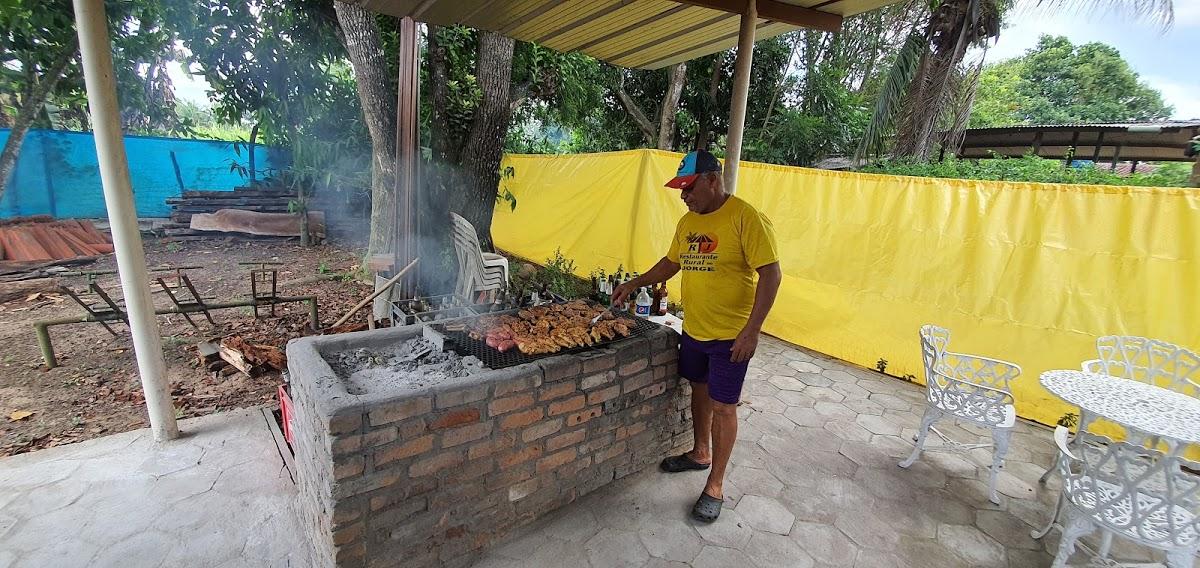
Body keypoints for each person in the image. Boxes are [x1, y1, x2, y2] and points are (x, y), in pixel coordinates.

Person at [612, 149, 781, 523]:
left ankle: (716, 484)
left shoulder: (745, 218)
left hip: (729, 336)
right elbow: (671, 263)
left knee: (724, 407)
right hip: (695, 330)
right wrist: (634, 283)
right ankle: (699, 452)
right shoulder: (688, 223)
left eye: (688, 188)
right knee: (699, 391)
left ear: (711, 180)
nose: (683, 196)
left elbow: (771, 274)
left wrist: (751, 331)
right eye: (680, 190)